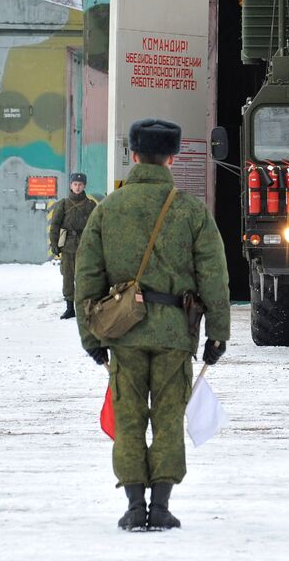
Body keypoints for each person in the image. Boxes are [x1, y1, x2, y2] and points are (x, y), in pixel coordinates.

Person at [74, 118, 230, 531]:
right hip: (174, 334)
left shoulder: (107, 209)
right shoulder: (191, 210)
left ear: (135, 156)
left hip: (122, 334)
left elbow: (87, 277)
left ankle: (132, 506)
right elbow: (214, 276)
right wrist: (218, 333)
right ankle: (160, 507)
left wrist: (91, 337)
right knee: (167, 417)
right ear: (172, 159)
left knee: (128, 417)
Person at [47, 172, 96, 319]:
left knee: (84, 278)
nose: (78, 187)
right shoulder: (63, 204)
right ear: (70, 185)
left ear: (84, 186)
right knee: (67, 277)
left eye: (80, 184)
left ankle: (84, 308)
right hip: (68, 246)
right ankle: (69, 308)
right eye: (75, 184)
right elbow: (55, 225)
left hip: (84, 247)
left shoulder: (91, 205)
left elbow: (96, 227)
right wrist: (54, 243)